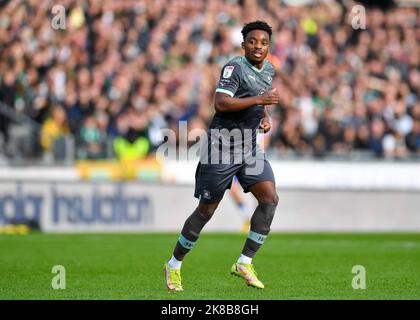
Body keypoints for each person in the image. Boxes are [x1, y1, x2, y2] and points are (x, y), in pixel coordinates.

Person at [164, 21, 279, 291]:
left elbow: (257, 99)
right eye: (252, 41)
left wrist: (264, 116)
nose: (258, 46)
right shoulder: (234, 67)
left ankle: (244, 261)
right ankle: (174, 264)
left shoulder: (270, 69)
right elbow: (221, 102)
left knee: (270, 198)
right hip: (221, 148)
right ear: (244, 45)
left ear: (268, 46)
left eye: (263, 42)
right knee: (206, 211)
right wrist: (259, 102)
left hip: (249, 147)